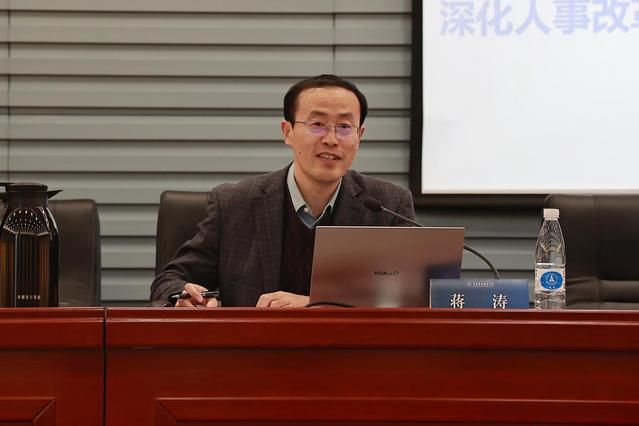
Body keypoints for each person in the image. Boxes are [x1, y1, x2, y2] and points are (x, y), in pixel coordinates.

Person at [150, 74, 415, 308]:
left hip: (351, 349)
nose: (331, 139)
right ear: (287, 131)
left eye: (345, 127)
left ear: (359, 136)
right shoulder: (234, 204)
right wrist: (184, 298)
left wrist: (317, 304)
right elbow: (170, 280)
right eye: (317, 124)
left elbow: (413, 296)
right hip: (255, 347)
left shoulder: (388, 206)